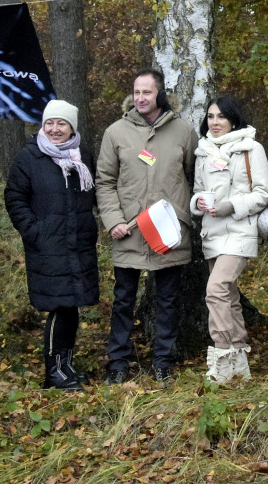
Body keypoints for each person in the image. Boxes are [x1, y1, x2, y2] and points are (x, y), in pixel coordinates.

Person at [97, 69, 198, 384]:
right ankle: (118, 363)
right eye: (137, 92)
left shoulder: (183, 131)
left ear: (160, 95)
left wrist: (185, 215)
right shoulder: (116, 132)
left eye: (147, 92)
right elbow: (105, 181)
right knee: (124, 299)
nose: (141, 98)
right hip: (129, 231)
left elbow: (196, 177)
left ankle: (163, 361)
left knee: (167, 300)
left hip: (169, 231)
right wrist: (113, 220)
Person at [5, 100, 99, 391]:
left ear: (72, 127)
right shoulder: (29, 157)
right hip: (48, 244)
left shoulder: (82, 156)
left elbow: (94, 194)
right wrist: (34, 231)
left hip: (78, 243)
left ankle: (66, 364)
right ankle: (53, 372)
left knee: (71, 306)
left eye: (61, 124)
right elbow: (14, 198)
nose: (55, 129)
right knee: (59, 306)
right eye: (50, 123)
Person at [190, 95, 268, 384]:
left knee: (216, 289)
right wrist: (198, 203)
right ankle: (239, 362)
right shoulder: (202, 151)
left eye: (221, 117)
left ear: (233, 119)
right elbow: (198, 190)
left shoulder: (251, 148)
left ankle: (222, 354)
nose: (215, 122)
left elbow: (263, 193)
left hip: (239, 230)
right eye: (210, 117)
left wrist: (231, 206)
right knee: (229, 297)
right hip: (212, 232)